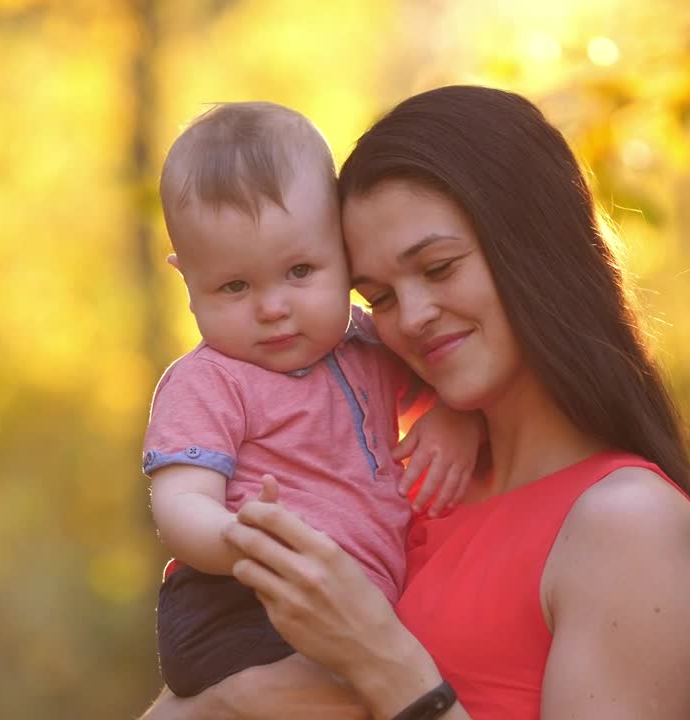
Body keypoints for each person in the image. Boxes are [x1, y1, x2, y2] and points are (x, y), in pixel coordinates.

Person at [141, 85, 690, 720]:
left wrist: (381, 661)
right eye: (379, 298)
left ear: (535, 245)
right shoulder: (404, 486)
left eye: (438, 268)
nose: (414, 317)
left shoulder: (627, 523)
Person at [144, 101, 485, 699]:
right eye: (234, 286)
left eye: (300, 271)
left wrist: (459, 420)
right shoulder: (210, 381)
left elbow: (456, 384)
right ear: (187, 282)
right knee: (352, 704)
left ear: (344, 256)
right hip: (245, 603)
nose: (272, 307)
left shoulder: (371, 344)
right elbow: (179, 501)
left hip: (349, 609)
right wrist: (239, 539)